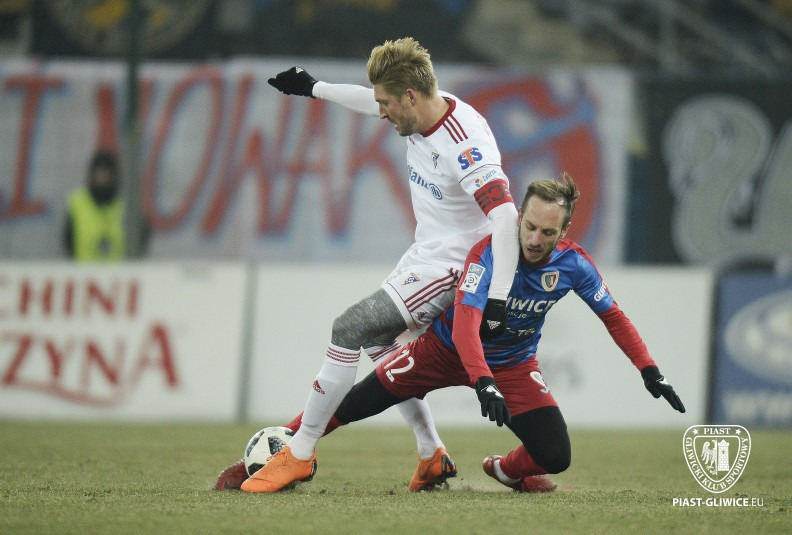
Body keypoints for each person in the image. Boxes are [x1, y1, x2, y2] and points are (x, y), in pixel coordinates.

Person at [221, 37, 521, 493]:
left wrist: (496, 297)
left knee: (349, 328)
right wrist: (315, 88)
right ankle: (431, 452)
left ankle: (299, 452)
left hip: (454, 266)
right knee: (381, 342)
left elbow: (506, 217)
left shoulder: (465, 145)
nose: (380, 113)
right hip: (427, 253)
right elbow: (369, 99)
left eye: (386, 104)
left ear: (410, 97)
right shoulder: (423, 108)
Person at [277, 173, 685, 492]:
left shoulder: (574, 265)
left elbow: (614, 317)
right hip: (443, 352)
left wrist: (649, 369)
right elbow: (467, 324)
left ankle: (504, 470)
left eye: (547, 233)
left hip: (513, 366)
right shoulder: (489, 253)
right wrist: (482, 380)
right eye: (529, 226)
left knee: (556, 456)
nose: (534, 240)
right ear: (519, 216)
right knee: (353, 404)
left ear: (564, 231)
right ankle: (281, 445)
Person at [64, 149, 126, 261]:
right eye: (99, 173)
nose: (102, 178)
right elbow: (68, 240)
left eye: (106, 173)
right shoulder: (77, 203)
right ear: (91, 174)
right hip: (84, 269)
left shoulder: (125, 205)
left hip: (119, 270)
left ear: (114, 176)